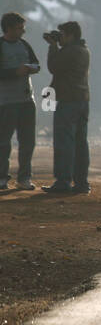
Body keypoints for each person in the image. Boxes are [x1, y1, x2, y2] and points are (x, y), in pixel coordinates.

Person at [43, 21, 91, 195]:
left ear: (70, 35)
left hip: (68, 101)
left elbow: (53, 67)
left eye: (61, 34)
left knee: (64, 141)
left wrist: (53, 46)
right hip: (82, 100)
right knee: (80, 143)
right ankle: (81, 183)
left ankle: (63, 182)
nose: (59, 37)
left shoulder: (70, 51)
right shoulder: (83, 50)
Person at [0, 12, 40, 191]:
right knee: (3, 141)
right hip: (6, 101)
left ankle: (24, 178)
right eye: (19, 28)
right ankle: (2, 177)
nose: (23, 31)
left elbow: (36, 64)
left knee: (28, 141)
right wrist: (15, 72)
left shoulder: (24, 45)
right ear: (8, 28)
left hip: (26, 100)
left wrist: (31, 68)